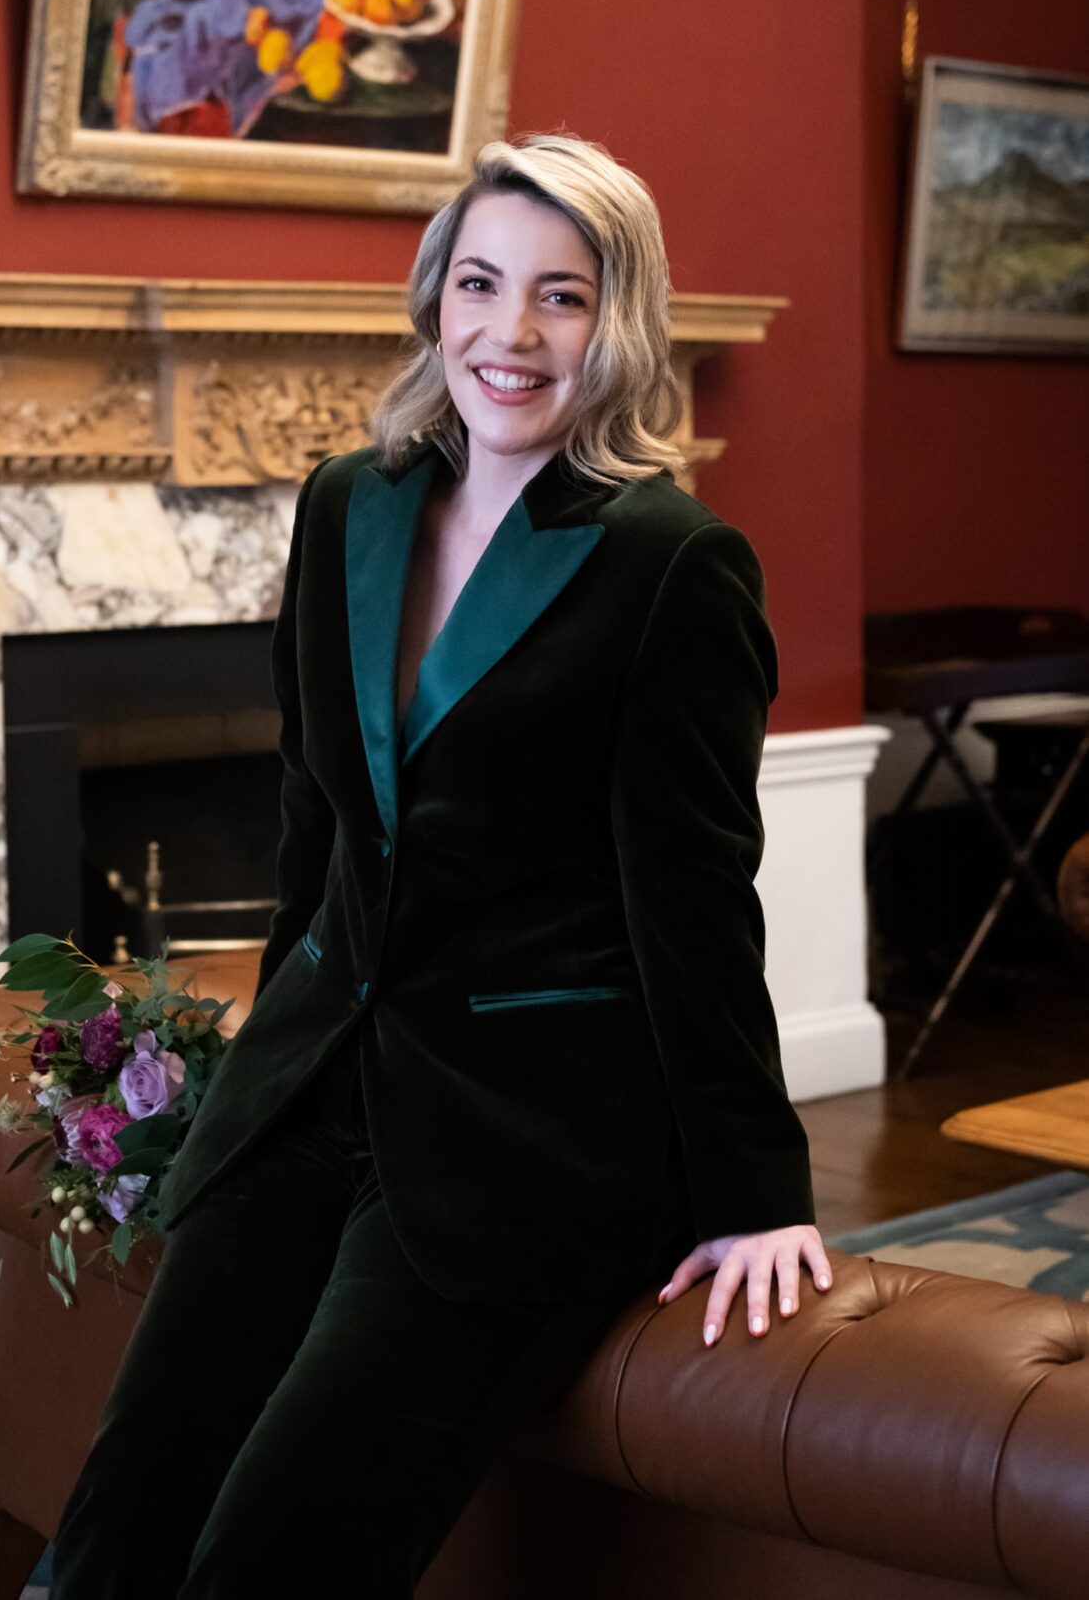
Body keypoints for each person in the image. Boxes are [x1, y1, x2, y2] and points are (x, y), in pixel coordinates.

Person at [49, 131, 831, 1599]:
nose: (512, 333)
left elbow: (695, 901)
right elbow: (314, 826)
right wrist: (260, 1073)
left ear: (622, 325)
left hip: (527, 1139)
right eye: (481, 282)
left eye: (563, 295)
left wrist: (756, 1186)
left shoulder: (674, 564)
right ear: (434, 299)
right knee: (118, 1526)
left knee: (264, 1563)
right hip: (313, 1089)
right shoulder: (351, 501)